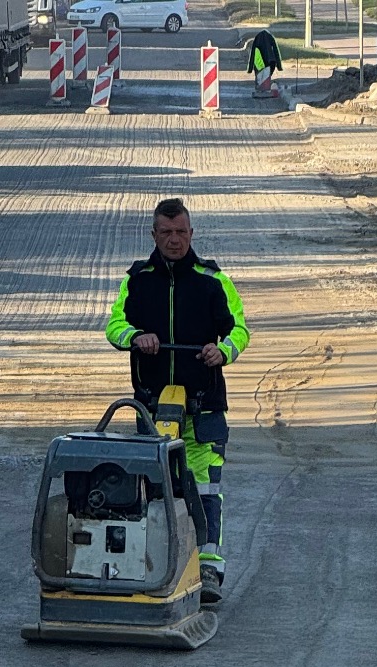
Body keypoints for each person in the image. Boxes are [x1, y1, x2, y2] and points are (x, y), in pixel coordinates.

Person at [104, 197, 250, 605]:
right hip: (152, 409)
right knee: (152, 491)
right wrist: (135, 337)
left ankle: (208, 569)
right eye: (166, 233)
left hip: (203, 408)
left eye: (180, 232)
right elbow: (114, 325)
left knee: (204, 490)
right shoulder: (137, 280)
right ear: (154, 235)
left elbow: (239, 329)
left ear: (191, 233)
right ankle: (155, 568)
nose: (173, 240)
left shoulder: (213, 279)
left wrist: (223, 351)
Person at [247, 26, 283, 97]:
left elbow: (252, 54)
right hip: (270, 61)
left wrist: (250, 69)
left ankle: (260, 89)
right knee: (266, 76)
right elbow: (276, 51)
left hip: (259, 62)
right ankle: (265, 88)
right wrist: (279, 66)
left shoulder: (257, 38)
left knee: (260, 76)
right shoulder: (271, 38)